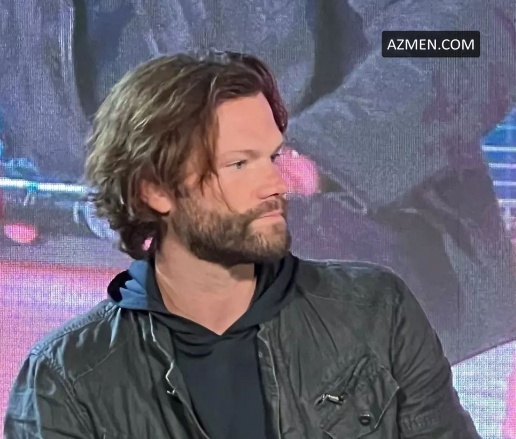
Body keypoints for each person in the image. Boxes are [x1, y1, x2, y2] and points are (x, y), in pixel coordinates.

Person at [4, 51, 480, 439]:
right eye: (239, 164)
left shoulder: (377, 312)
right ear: (154, 192)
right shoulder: (64, 379)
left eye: (274, 156)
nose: (276, 182)